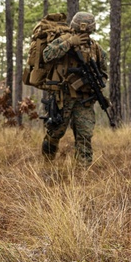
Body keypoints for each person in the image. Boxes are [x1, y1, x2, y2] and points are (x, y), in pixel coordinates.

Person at [39, 11, 108, 166]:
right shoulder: (63, 40)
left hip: (84, 100)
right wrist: (70, 43)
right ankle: (47, 165)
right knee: (55, 133)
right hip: (63, 98)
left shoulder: (95, 48)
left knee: (85, 135)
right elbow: (47, 55)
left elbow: (104, 71)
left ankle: (83, 174)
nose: (83, 32)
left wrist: (97, 84)